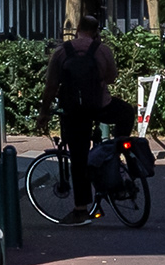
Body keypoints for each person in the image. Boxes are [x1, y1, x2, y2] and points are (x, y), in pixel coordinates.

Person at [45, 20, 117, 204]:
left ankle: (80, 210)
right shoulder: (102, 50)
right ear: (95, 32)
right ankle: (118, 151)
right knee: (126, 114)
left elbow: (51, 86)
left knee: (78, 158)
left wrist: (43, 113)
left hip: (74, 111)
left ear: (77, 30)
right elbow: (111, 78)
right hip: (101, 107)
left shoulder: (62, 51)